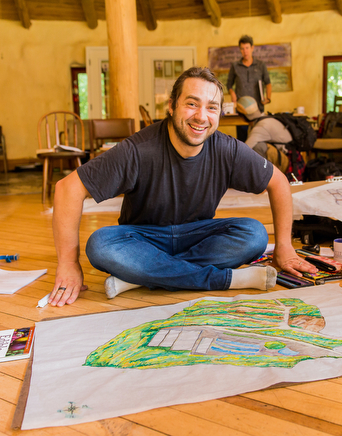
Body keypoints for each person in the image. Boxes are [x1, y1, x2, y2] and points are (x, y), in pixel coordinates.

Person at [48, 67, 316, 307]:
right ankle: (220, 279)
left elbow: (279, 181)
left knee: (254, 234)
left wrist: (284, 247)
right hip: (143, 238)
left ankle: (141, 278)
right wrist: (68, 264)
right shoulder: (137, 149)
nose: (201, 116)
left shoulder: (227, 149)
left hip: (198, 236)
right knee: (100, 244)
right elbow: (67, 189)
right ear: (172, 106)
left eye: (212, 107)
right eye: (191, 104)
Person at [227, 35, 272, 142]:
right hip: (242, 110)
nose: (245, 51)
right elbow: (229, 84)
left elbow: (268, 83)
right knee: (242, 140)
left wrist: (268, 98)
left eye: (247, 48)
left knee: (258, 138)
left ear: (252, 48)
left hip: (258, 109)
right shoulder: (235, 66)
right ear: (240, 50)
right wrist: (232, 93)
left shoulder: (261, 65)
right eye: (242, 49)